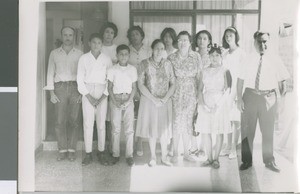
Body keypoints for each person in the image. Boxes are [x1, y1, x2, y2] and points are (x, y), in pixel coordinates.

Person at [237, 31, 290, 173]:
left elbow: (283, 81)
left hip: (269, 98)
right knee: (247, 131)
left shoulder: (275, 59)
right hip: (250, 97)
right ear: (254, 42)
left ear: (269, 42)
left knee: (268, 132)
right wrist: (239, 99)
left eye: (265, 41)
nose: (262, 44)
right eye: (259, 41)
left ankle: (269, 161)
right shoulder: (247, 59)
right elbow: (240, 80)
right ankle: (247, 161)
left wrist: (280, 101)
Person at [44, 26, 83, 161]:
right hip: (59, 88)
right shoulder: (54, 53)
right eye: (65, 35)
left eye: (70, 35)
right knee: (60, 121)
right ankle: (62, 150)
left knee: (74, 120)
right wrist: (51, 93)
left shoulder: (79, 53)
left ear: (74, 36)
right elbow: (50, 73)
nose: (68, 38)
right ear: (62, 36)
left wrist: (81, 93)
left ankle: (71, 150)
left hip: (75, 88)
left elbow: (83, 74)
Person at [136, 39, 175, 167]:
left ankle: (164, 157)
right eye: (157, 48)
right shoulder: (144, 63)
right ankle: (153, 156)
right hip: (149, 101)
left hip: (164, 101)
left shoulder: (168, 64)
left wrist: (164, 99)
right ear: (152, 49)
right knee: (152, 129)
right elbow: (140, 84)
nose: (159, 51)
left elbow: (173, 83)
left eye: (162, 48)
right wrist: (153, 99)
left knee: (163, 130)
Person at [77, 33, 112, 166]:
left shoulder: (106, 59)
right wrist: (88, 96)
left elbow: (110, 79)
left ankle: (101, 152)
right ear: (89, 43)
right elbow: (80, 79)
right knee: (88, 123)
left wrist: (104, 95)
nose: (96, 45)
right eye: (94, 42)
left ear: (101, 44)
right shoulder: (84, 58)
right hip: (87, 90)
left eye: (99, 43)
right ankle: (88, 153)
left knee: (101, 124)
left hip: (103, 90)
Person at [194, 44, 231, 169]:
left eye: (217, 55)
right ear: (209, 56)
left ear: (221, 56)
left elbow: (228, 90)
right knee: (206, 131)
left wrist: (218, 105)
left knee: (219, 131)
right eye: (212, 55)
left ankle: (216, 159)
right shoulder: (204, 70)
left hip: (220, 102)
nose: (214, 58)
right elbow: (199, 90)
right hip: (206, 100)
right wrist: (203, 105)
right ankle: (209, 158)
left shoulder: (225, 70)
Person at [168, 31, 202, 163]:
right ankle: (176, 152)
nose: (182, 43)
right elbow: (169, 78)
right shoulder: (171, 57)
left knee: (188, 123)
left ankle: (186, 153)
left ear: (190, 42)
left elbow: (200, 76)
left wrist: (199, 93)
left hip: (191, 92)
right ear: (177, 42)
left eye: (185, 40)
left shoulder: (196, 56)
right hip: (176, 92)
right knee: (176, 122)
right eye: (180, 40)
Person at [107, 44, 137, 167]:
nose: (123, 56)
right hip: (116, 99)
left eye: (126, 54)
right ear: (117, 55)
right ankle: (115, 154)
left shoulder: (132, 69)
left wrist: (129, 101)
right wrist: (115, 101)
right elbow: (109, 88)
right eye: (121, 54)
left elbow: (134, 88)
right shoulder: (112, 69)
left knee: (129, 129)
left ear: (129, 56)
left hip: (128, 99)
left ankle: (129, 155)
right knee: (116, 129)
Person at [220, 26, 246, 159]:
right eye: (226, 36)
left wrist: (239, 95)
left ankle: (234, 148)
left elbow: (243, 75)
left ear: (236, 37)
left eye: (231, 35)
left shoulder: (241, 53)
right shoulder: (224, 53)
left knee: (236, 121)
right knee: (227, 120)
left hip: (237, 88)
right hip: (227, 89)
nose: (228, 37)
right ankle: (228, 145)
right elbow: (223, 72)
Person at [127, 26, 151, 156]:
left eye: (137, 34)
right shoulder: (127, 50)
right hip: (129, 87)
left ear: (142, 36)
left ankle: (139, 142)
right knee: (131, 116)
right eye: (132, 35)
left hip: (145, 87)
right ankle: (130, 144)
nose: (134, 36)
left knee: (142, 116)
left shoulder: (148, 50)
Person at [190, 30, 213, 157]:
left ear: (209, 41)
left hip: (205, 91)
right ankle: (193, 147)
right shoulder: (192, 55)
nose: (202, 41)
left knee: (203, 119)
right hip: (192, 90)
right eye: (199, 38)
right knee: (191, 119)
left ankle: (203, 148)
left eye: (205, 38)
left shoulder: (212, 56)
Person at [99, 22, 119, 153]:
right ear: (103, 33)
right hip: (100, 84)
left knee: (112, 116)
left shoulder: (117, 48)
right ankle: (102, 146)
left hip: (114, 86)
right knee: (101, 116)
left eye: (112, 33)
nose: (109, 35)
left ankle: (112, 146)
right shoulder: (98, 47)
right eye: (107, 32)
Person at [160, 27, 177, 156]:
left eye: (170, 37)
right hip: (160, 89)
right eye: (165, 37)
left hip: (174, 88)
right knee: (162, 118)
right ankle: (162, 144)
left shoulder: (177, 52)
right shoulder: (159, 51)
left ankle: (172, 145)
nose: (167, 39)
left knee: (172, 118)